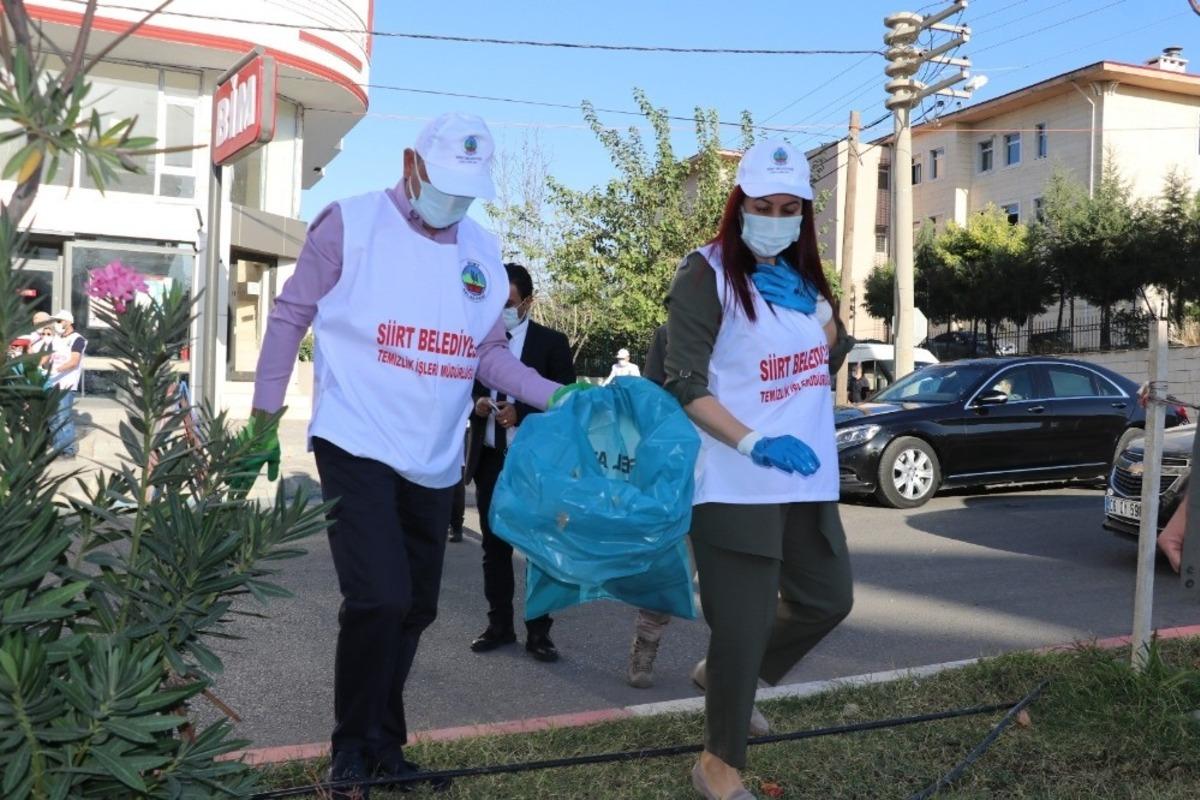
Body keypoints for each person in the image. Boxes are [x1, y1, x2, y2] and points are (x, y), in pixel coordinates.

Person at [249, 112, 584, 799]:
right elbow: (290, 315)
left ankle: (384, 747)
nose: (454, 201)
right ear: (411, 164)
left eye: (468, 190)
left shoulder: (483, 251)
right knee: (379, 597)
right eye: (444, 183)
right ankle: (350, 750)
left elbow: (489, 354)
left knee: (415, 609)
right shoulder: (350, 223)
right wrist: (264, 414)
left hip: (434, 455)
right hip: (357, 438)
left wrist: (558, 396)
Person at [665, 139, 853, 800]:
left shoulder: (803, 278)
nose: (776, 218)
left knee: (827, 599)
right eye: (763, 206)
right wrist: (751, 442)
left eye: (788, 208)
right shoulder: (706, 274)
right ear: (739, 204)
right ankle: (717, 766)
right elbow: (684, 383)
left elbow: (828, 357)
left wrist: (820, 312)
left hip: (805, 477)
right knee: (742, 624)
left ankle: (725, 676)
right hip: (733, 480)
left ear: (803, 212)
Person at [466, 262, 576, 662]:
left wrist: (523, 412)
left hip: (535, 464)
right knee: (493, 547)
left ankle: (539, 632)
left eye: (509, 304)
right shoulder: (476, 339)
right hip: (491, 459)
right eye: (496, 304)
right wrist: (477, 403)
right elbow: (462, 386)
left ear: (528, 302)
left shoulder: (552, 343)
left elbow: (565, 401)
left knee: (537, 549)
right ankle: (499, 626)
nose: (502, 312)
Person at [46, 309, 87, 458]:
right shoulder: (55, 339)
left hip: (66, 385)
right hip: (51, 383)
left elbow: (74, 361)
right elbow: (46, 358)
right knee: (52, 418)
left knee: (63, 417)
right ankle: (59, 448)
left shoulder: (78, 339)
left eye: (58, 321)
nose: (56, 324)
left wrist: (55, 370)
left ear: (68, 322)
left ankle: (68, 450)